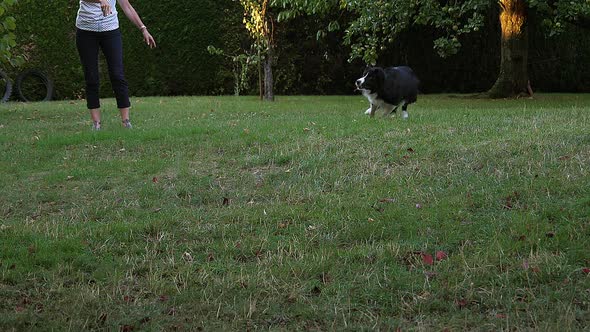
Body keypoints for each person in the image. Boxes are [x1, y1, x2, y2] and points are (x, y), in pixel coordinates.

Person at [76, 0, 156, 130]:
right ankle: (96, 124)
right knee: (91, 77)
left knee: (117, 75)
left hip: (110, 31)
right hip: (86, 31)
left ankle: (126, 122)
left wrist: (143, 29)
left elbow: (126, 6)